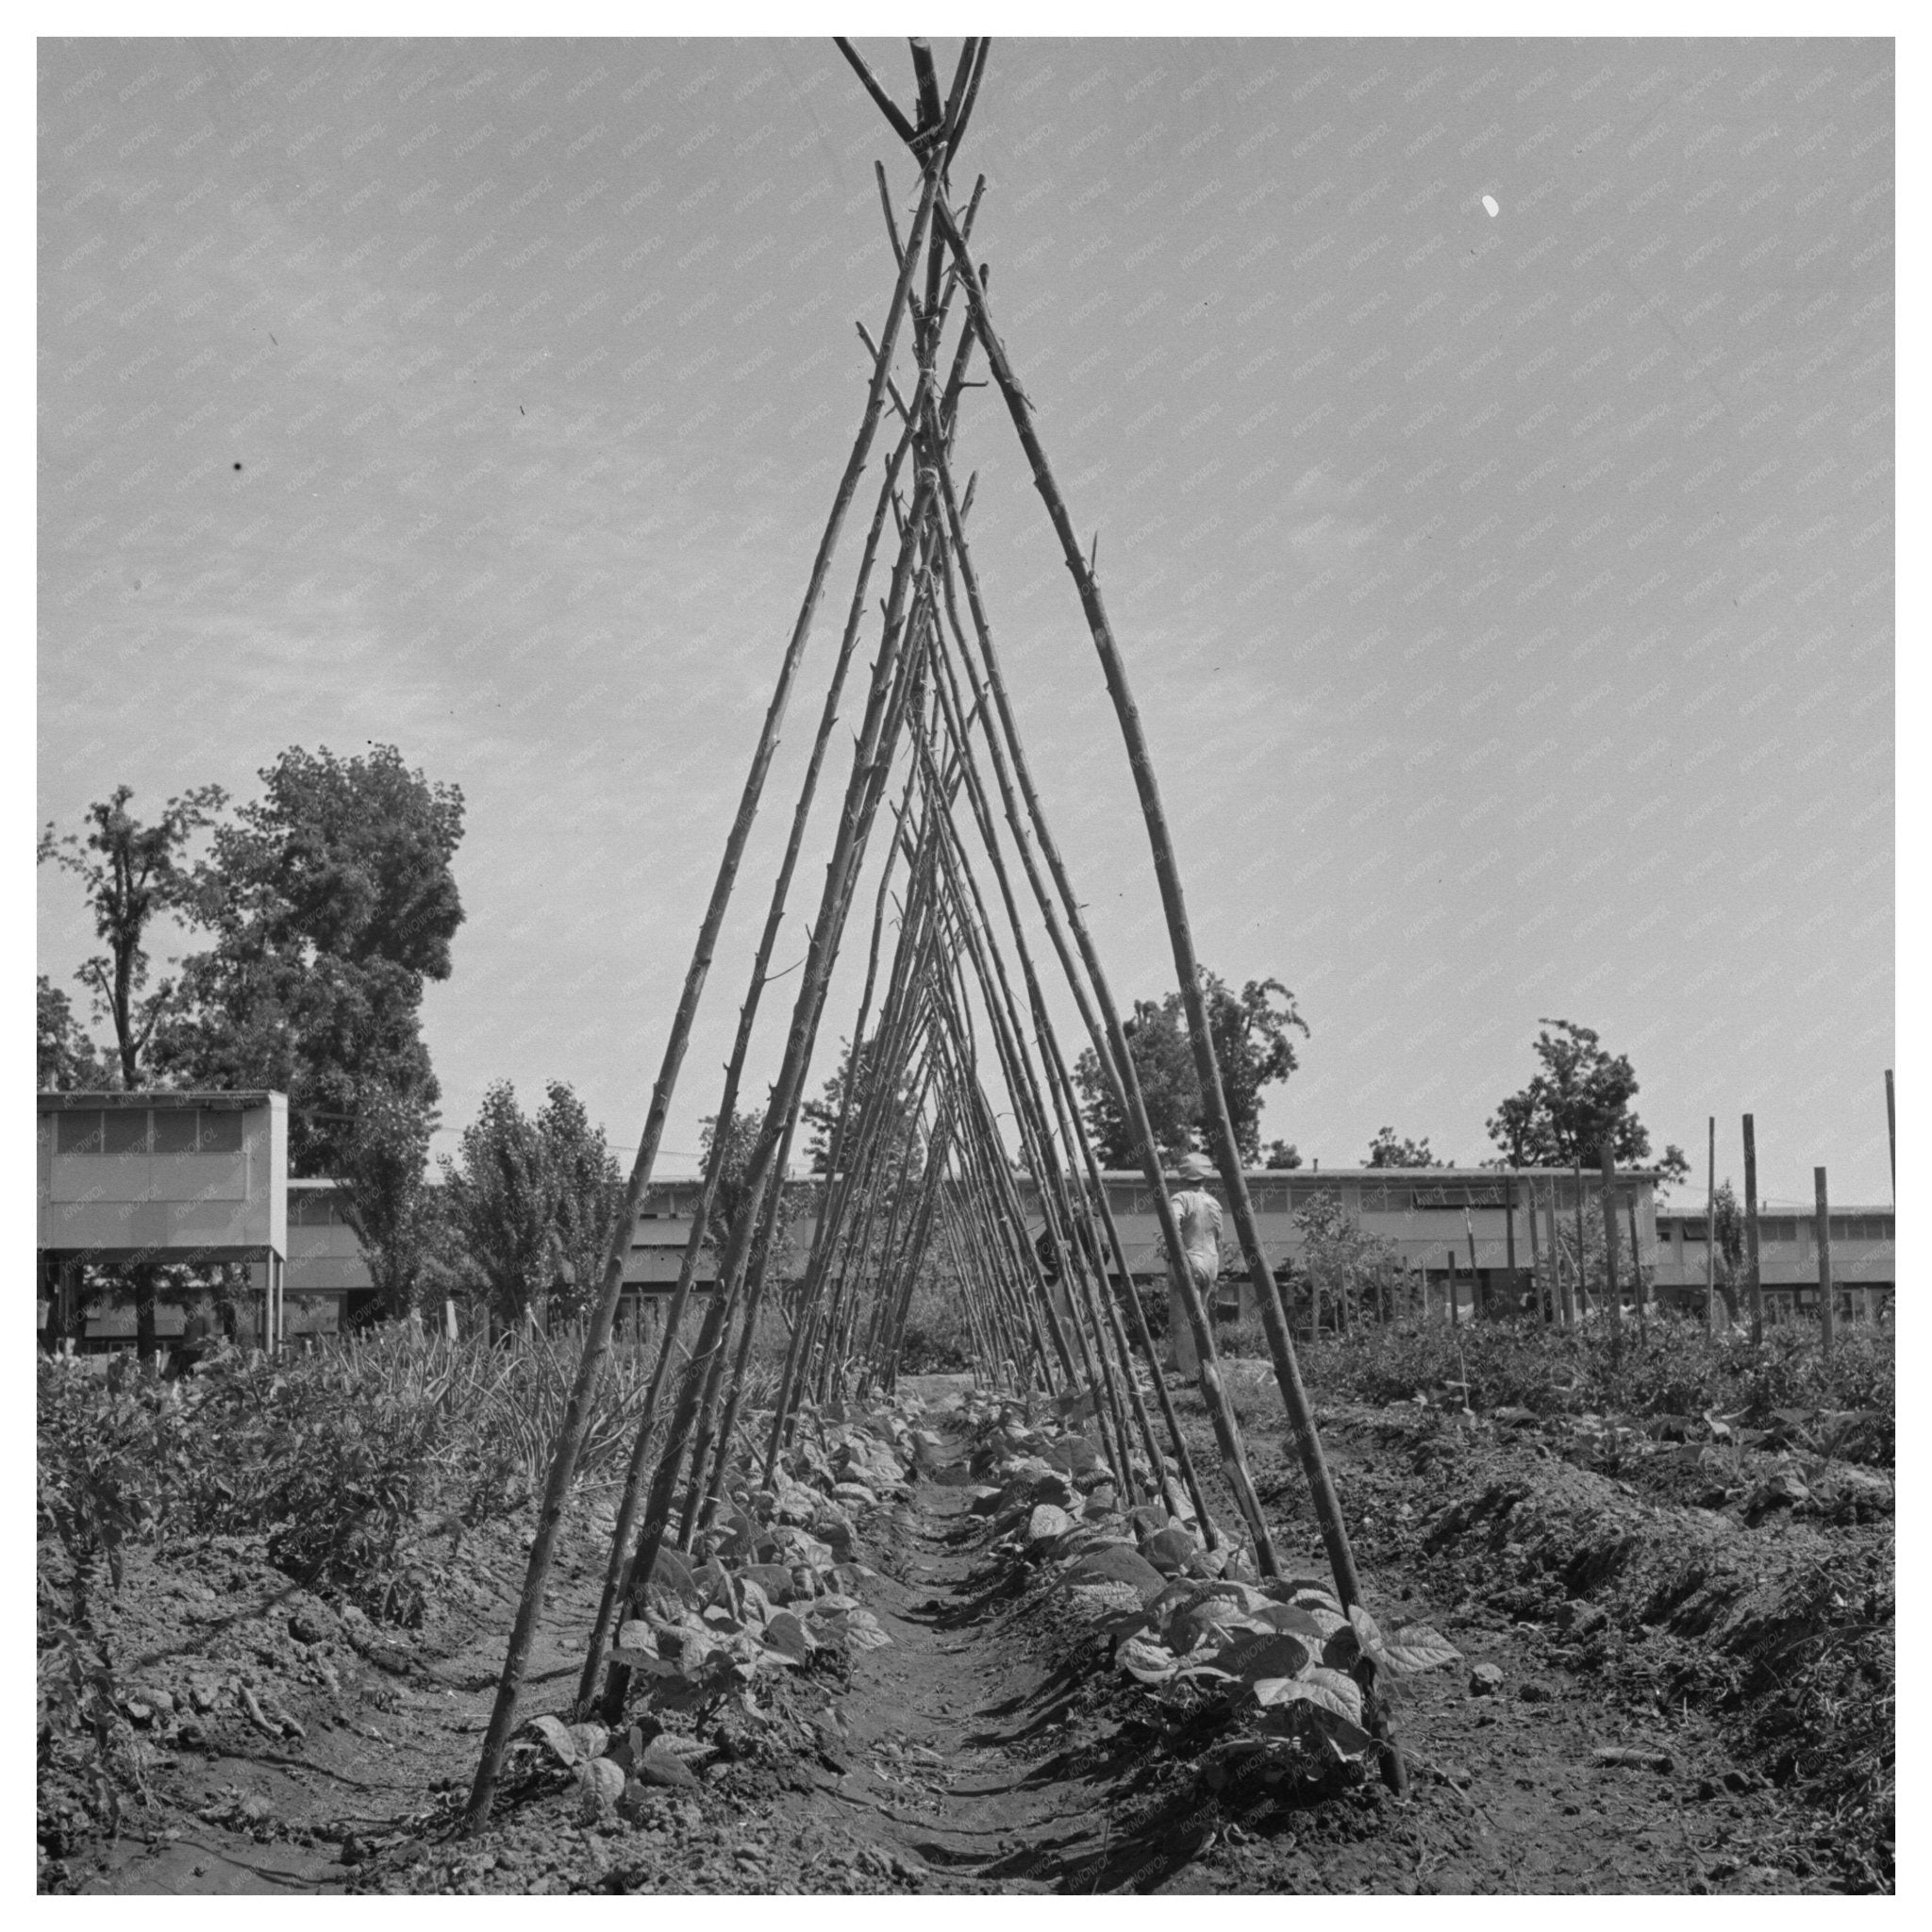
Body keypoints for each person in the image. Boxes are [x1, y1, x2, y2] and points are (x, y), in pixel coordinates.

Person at [1169, 1153, 1223, 1375]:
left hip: (1189, 1262)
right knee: (1199, 1316)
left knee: (1182, 1320)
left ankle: (1193, 1373)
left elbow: (1172, 1222)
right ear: (1205, 1179)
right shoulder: (1214, 1203)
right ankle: (1175, 1361)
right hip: (1211, 1263)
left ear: (1182, 1177)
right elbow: (1219, 1236)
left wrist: (1175, 1252)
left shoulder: (1180, 1198)